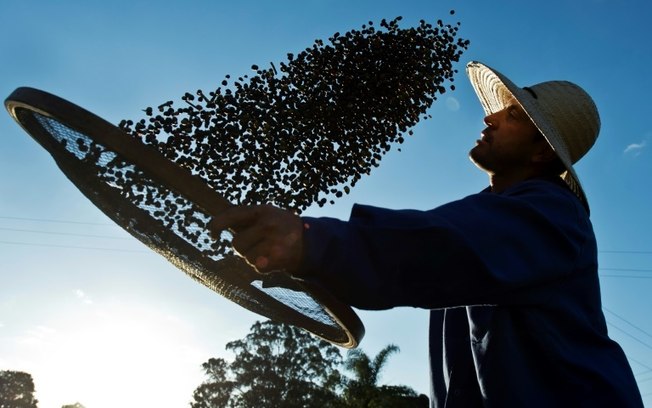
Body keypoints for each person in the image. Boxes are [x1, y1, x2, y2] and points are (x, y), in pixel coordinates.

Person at [209, 61, 644, 407]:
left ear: (540, 151)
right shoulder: (483, 215)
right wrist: (295, 262)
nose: (490, 117)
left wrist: (310, 243)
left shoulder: (551, 214)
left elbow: (438, 248)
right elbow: (422, 259)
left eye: (512, 116)